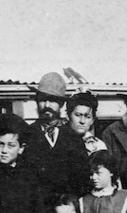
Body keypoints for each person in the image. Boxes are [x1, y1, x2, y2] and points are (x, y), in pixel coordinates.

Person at [25, 72, 91, 203]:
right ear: (37, 101)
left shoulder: (73, 137)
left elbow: (82, 180)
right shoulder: (27, 134)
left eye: (53, 100)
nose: (47, 105)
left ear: (61, 104)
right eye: (43, 99)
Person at [64, 90, 107, 155]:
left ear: (92, 120)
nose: (82, 121)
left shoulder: (98, 146)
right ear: (68, 116)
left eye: (87, 117)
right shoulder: (56, 139)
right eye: (78, 115)